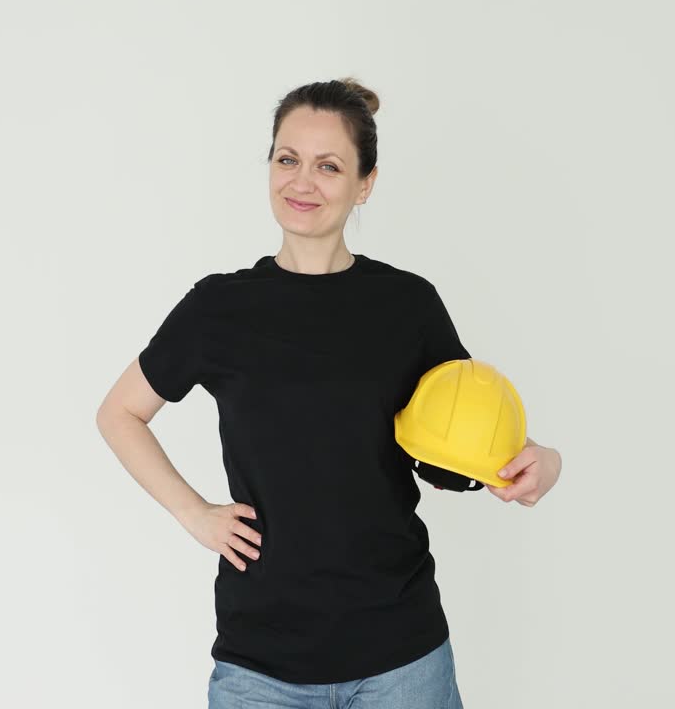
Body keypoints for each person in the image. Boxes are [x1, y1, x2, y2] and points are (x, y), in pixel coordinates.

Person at [96, 78, 561, 708]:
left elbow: (457, 448)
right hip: (261, 666)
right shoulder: (218, 308)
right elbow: (120, 413)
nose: (302, 181)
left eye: (329, 166)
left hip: (402, 658)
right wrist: (193, 513)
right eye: (287, 159)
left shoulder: (408, 305)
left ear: (365, 184)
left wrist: (539, 461)